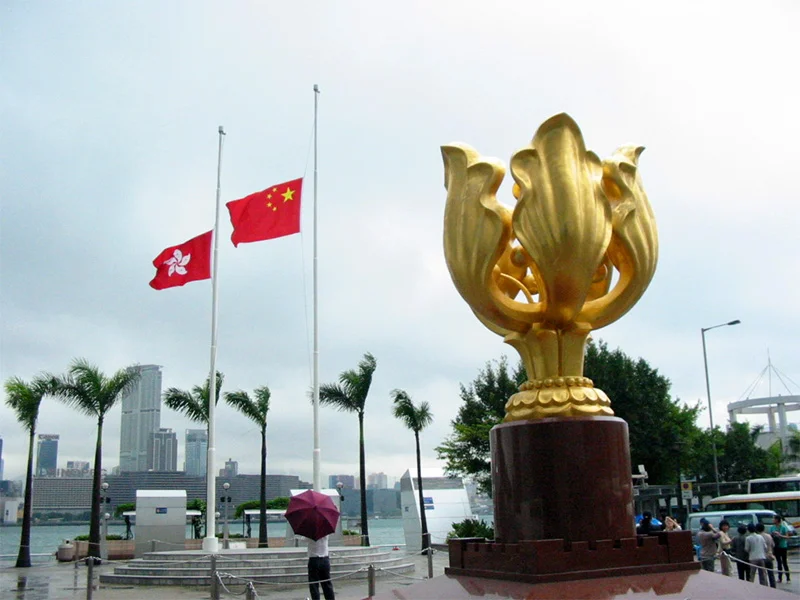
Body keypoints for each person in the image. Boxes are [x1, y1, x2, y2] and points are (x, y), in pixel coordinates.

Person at [307, 535, 335, 600]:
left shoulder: (310, 532)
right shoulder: (326, 533)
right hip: (325, 559)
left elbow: (303, 539)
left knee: (314, 585)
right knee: (327, 584)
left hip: (314, 560)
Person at [771, 515, 792, 583]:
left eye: (774, 519)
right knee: (778, 562)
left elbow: (787, 536)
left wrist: (779, 535)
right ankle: (780, 578)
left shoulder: (783, 527)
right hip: (776, 547)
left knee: (784, 562)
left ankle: (788, 578)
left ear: (777, 520)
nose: (773, 520)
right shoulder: (772, 527)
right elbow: (771, 536)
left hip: (783, 546)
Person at [756, 522, 776, 588]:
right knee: (771, 574)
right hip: (769, 556)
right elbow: (773, 545)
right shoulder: (769, 536)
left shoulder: (757, 537)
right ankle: (773, 587)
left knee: (762, 574)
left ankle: (765, 588)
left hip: (761, 557)